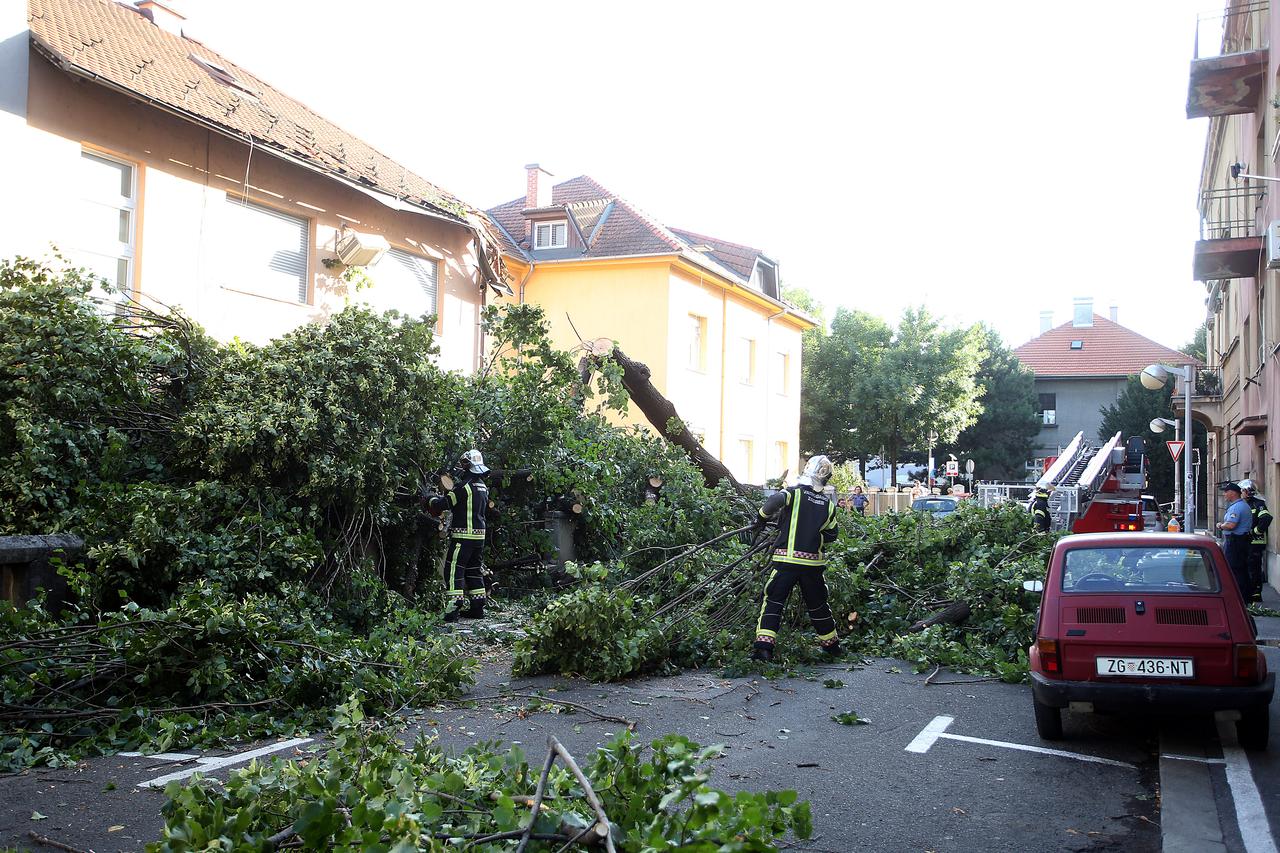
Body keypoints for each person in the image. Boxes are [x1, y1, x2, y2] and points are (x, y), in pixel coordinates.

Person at [750, 455, 842, 662]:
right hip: (813, 565)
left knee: (774, 600)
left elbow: (775, 501)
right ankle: (832, 646)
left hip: (787, 561)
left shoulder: (794, 493)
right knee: (818, 604)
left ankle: (764, 648)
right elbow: (832, 535)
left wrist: (761, 519)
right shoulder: (828, 505)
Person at [428, 449, 491, 622]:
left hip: (463, 538)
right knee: (474, 571)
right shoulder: (482, 487)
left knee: (453, 571)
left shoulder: (464, 487)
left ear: (468, 465)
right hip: (479, 537)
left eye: (464, 464)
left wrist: (430, 499)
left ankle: (453, 610)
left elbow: (445, 503)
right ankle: (478, 608)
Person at [1217, 482, 1254, 601]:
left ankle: (1240, 597)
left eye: (1226, 492)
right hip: (1239, 541)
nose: (1225, 495)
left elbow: (1231, 525)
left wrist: (1220, 526)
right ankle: (1245, 596)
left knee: (1235, 569)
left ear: (1233, 493)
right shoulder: (1240, 505)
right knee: (1240, 569)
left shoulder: (1237, 507)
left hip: (1236, 542)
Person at [1242, 479, 1273, 603]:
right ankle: (1250, 592)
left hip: (1256, 542)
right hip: (1248, 542)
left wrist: (1255, 531)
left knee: (1254, 568)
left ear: (1248, 491)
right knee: (1248, 567)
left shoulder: (1258, 504)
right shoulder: (1246, 504)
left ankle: (1256, 593)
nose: (1241, 493)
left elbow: (1266, 518)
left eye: (1243, 490)